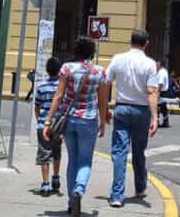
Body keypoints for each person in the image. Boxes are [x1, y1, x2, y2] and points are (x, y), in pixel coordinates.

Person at [43, 38, 108, 217]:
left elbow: (58, 96)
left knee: (72, 159)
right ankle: (79, 189)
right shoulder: (100, 72)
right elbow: (103, 101)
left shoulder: (67, 68)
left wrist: (48, 121)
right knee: (85, 160)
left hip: (69, 119)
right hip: (89, 120)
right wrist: (102, 122)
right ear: (92, 52)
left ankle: (72, 202)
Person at [105, 28, 159, 208]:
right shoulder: (150, 64)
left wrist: (105, 107)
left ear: (131, 42)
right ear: (146, 44)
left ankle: (117, 195)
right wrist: (155, 117)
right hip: (141, 110)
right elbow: (151, 92)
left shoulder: (118, 59)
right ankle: (140, 187)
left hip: (121, 108)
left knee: (119, 152)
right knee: (139, 151)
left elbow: (106, 82)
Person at [34, 57, 63, 197]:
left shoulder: (41, 86)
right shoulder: (62, 88)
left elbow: (37, 106)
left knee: (44, 153)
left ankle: (45, 184)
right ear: (60, 71)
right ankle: (56, 178)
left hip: (43, 124)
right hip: (57, 125)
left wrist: (40, 120)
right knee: (57, 152)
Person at [155, 59, 171, 128]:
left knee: (157, 107)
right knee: (163, 107)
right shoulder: (163, 71)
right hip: (163, 91)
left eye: (157, 64)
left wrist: (158, 93)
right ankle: (165, 121)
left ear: (160, 64)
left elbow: (160, 84)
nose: (155, 65)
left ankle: (158, 122)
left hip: (161, 91)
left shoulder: (161, 72)